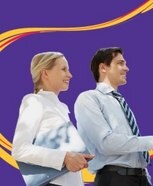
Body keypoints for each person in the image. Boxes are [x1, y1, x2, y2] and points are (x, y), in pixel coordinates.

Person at [74, 47, 153, 186]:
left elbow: (129, 143)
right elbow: (106, 143)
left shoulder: (120, 102)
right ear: (103, 67)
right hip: (115, 179)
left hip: (141, 178)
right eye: (120, 63)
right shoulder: (89, 99)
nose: (126, 68)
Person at [12, 52, 94, 186]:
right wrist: (65, 157)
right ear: (45, 73)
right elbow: (20, 149)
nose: (70, 75)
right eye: (63, 69)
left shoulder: (61, 107)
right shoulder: (34, 101)